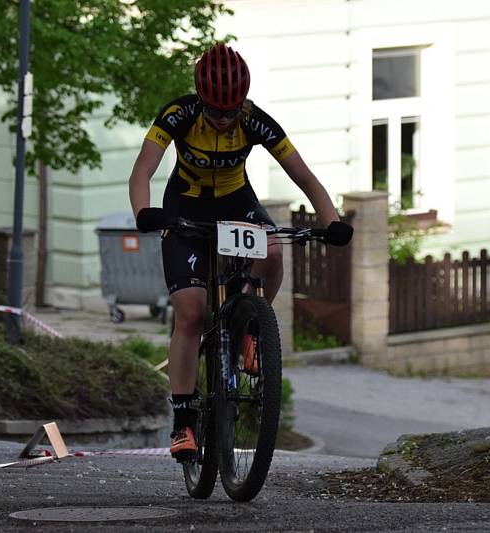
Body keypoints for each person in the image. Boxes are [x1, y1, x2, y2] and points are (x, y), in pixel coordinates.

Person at [128, 43, 353, 461]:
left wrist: (332, 220)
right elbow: (143, 167)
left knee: (274, 251)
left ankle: (251, 325)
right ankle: (183, 422)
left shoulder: (256, 121)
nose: (225, 118)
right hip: (185, 209)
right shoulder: (177, 114)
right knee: (192, 314)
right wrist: (144, 211)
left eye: (232, 110)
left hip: (236, 204)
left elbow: (305, 176)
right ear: (200, 98)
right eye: (216, 110)